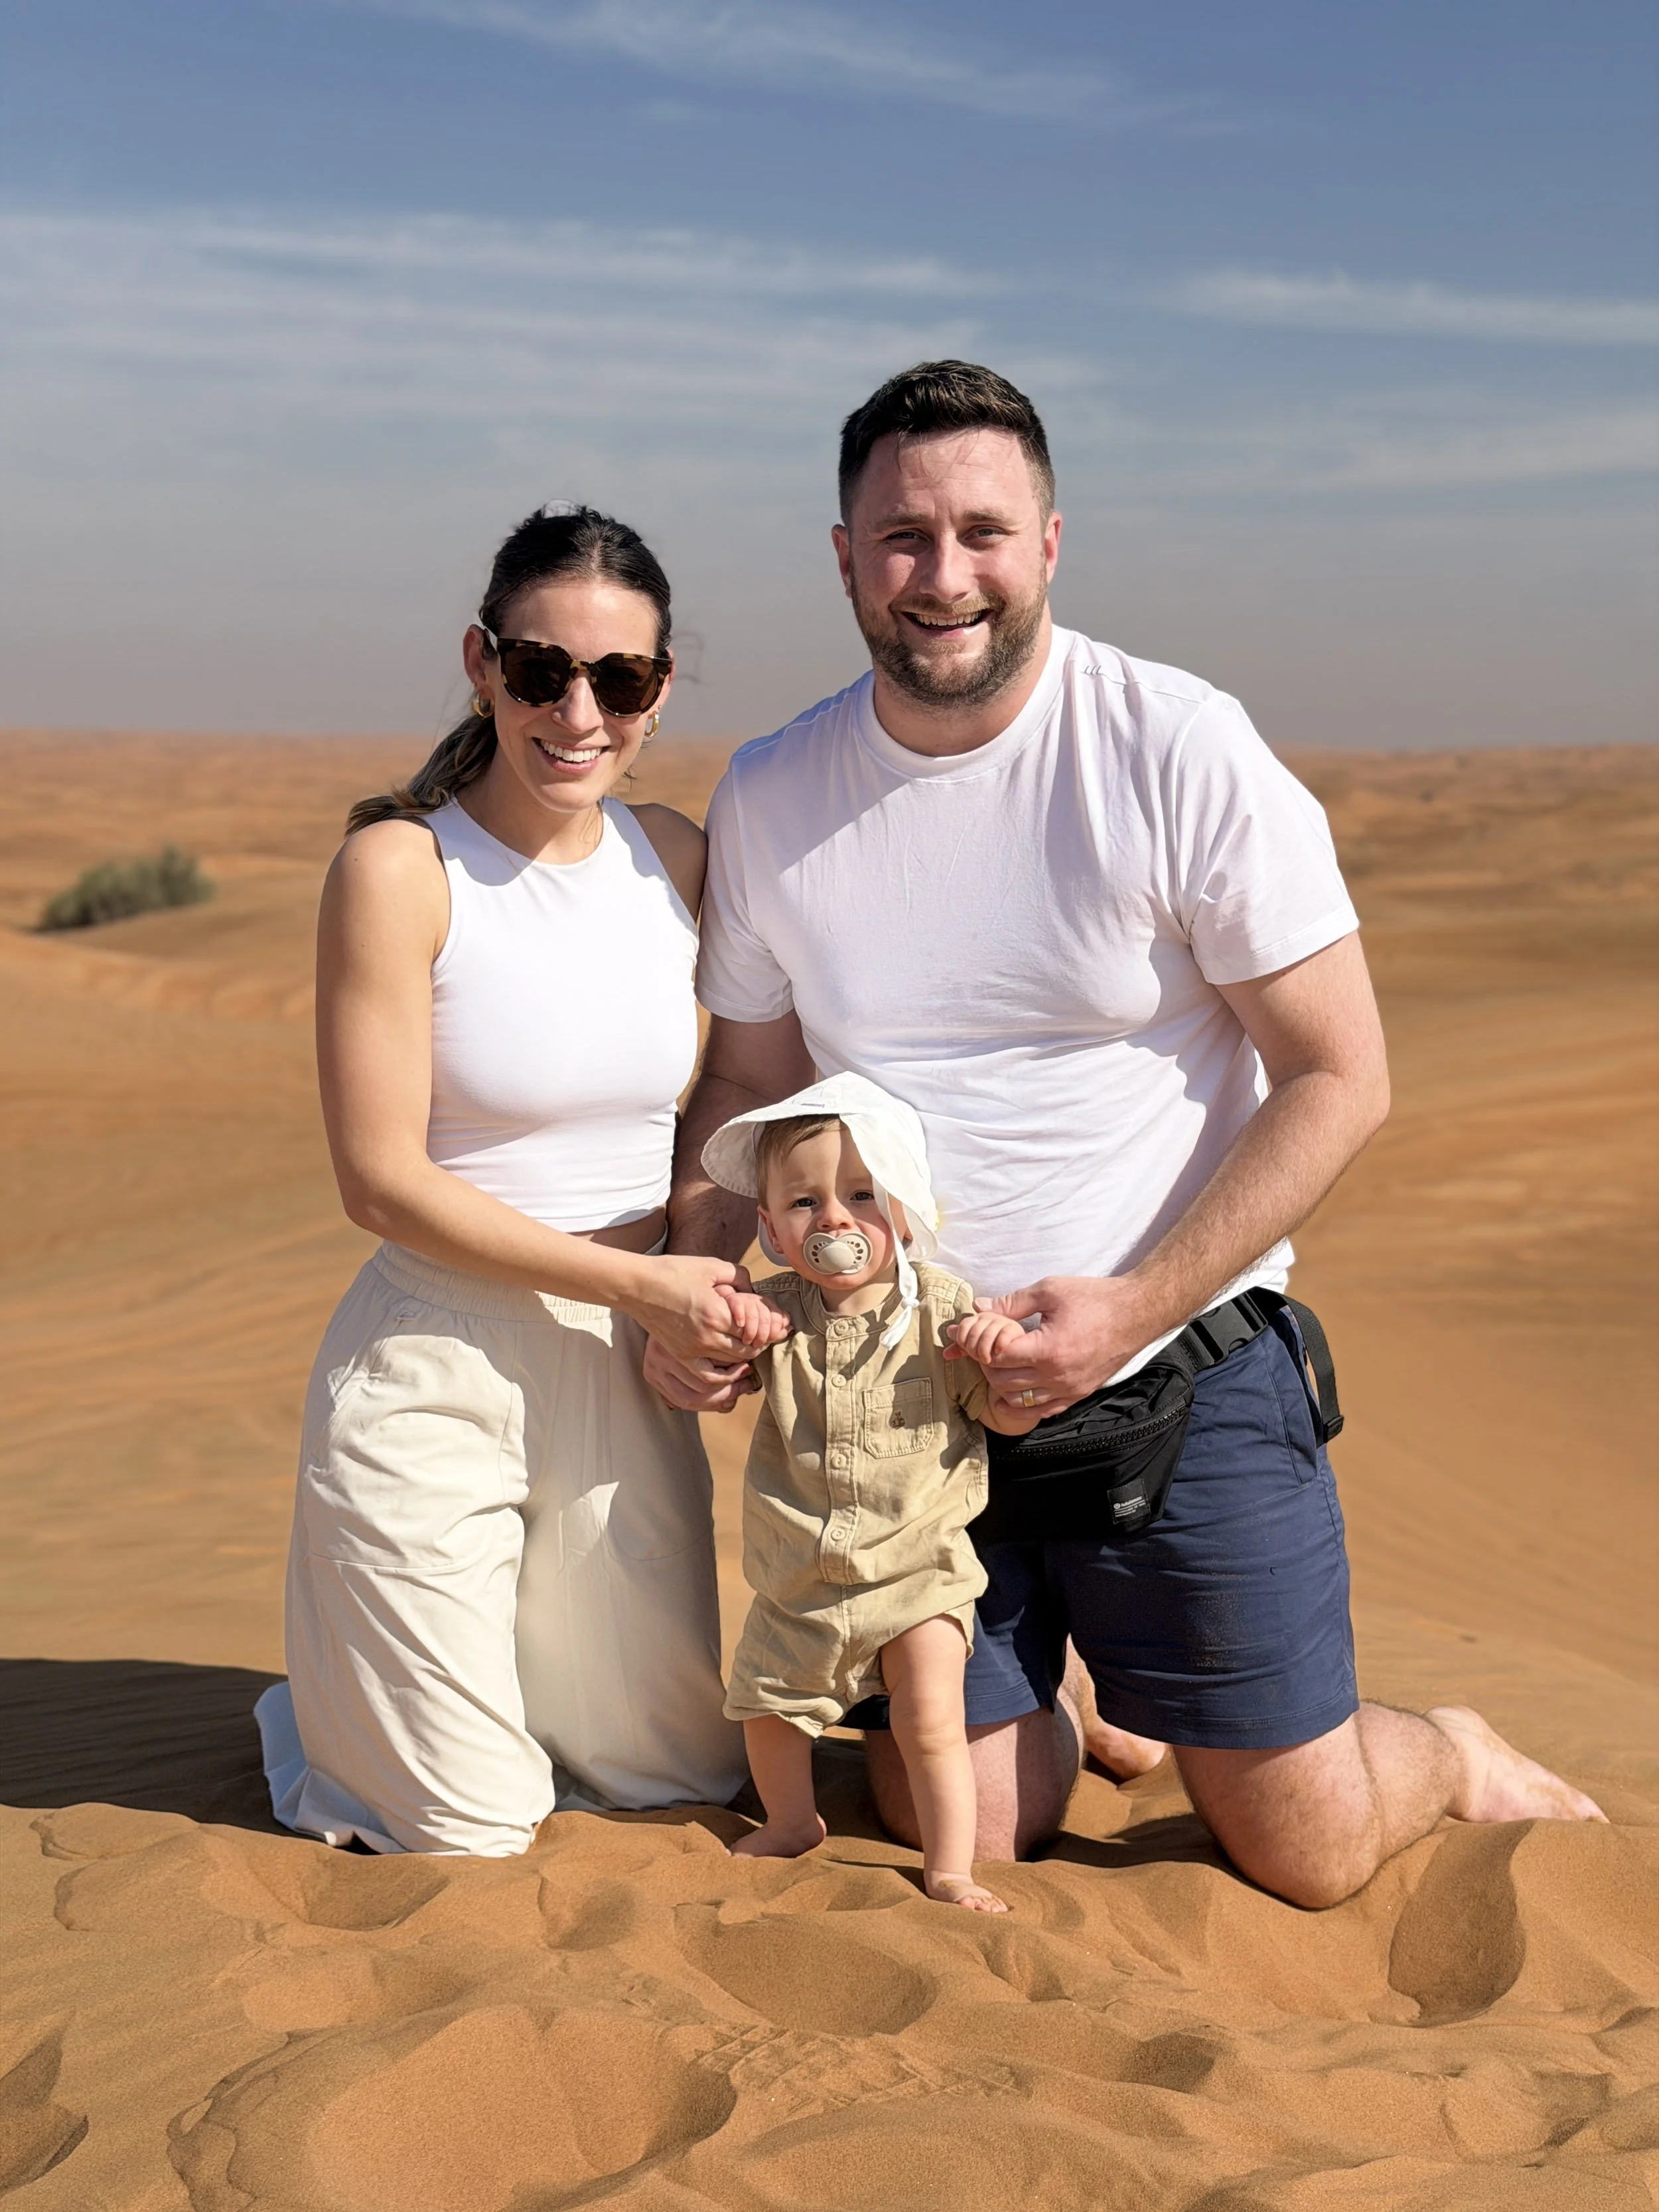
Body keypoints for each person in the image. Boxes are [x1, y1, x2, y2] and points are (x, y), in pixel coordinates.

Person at [646, 362, 1606, 1908]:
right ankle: (1073, 1703)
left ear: (1049, 541)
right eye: (900, 537)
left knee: (1311, 1855)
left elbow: (1340, 1076)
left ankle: (1446, 1747)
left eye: (981, 531)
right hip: (917, 1410)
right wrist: (703, 1271)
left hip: (1179, 1382)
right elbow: (742, 1089)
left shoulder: (1176, 747)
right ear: (843, 556)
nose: (941, 575)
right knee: (968, 1811)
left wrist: (1134, 1306)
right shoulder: (775, 792)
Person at [256, 504, 780, 1855]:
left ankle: (426, 1662)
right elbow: (376, 1180)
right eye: (543, 670)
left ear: (660, 691)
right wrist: (641, 1282)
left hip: (620, 1367)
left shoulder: (675, 859)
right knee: (463, 1826)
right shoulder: (403, 867)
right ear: (483, 661)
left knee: (667, 1777)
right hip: (436, 1354)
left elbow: (729, 1104)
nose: (578, 711)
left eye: (620, 679)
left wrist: (708, 1276)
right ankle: (329, 1699)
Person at [703, 1074, 1039, 1912]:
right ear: (774, 1232)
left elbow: (1001, 1419)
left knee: (931, 1720)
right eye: (805, 1202)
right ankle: (792, 1822)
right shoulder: (774, 1314)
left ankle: (950, 1867)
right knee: (767, 1709)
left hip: (916, 1574)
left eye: (861, 1194)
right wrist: (730, 1332)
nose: (835, 1220)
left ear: (903, 1210)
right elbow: (715, 1362)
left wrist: (1000, 1360)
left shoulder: (943, 1315)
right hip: (800, 1577)